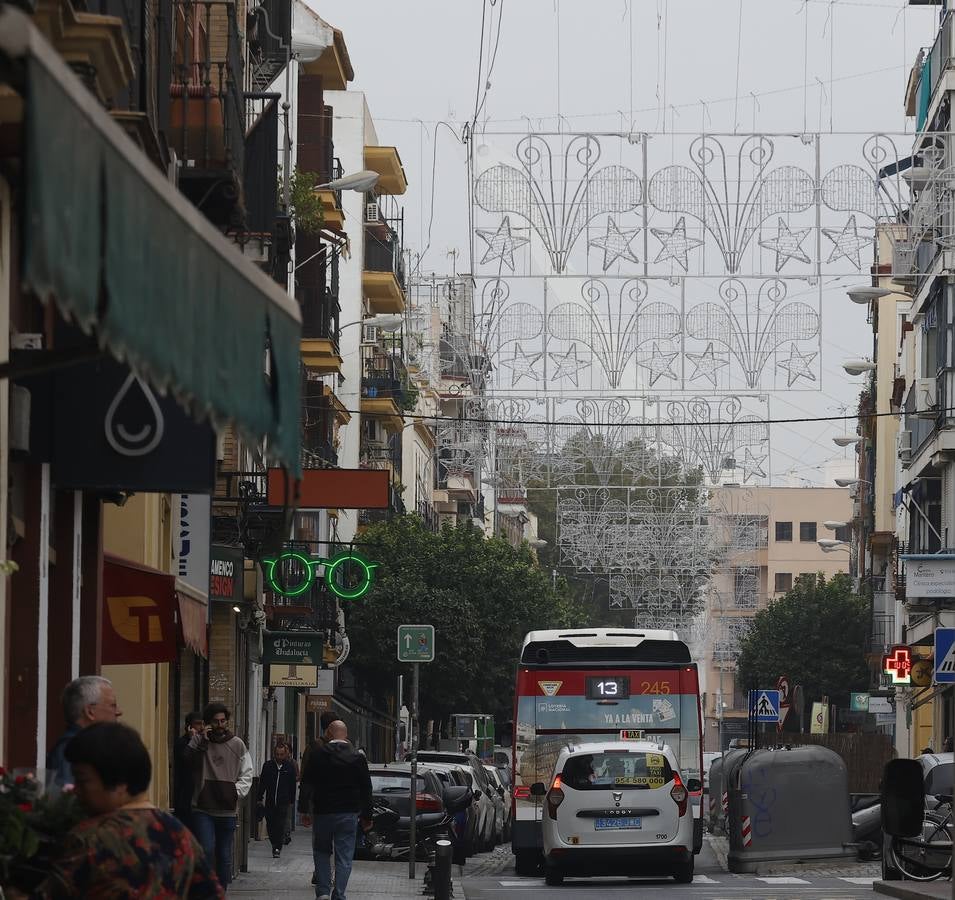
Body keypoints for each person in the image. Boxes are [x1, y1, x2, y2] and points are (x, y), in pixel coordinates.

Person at [16, 722, 223, 898]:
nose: (76, 790)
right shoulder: (180, 835)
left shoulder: (92, 838)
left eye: (83, 780)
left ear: (120, 783)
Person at [300, 720, 373, 900]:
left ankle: (323, 892)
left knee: (321, 852)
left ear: (329, 734)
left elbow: (306, 783)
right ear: (345, 735)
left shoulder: (317, 755)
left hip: (323, 812)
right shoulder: (357, 758)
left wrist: (304, 810)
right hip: (348, 814)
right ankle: (339, 894)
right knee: (344, 856)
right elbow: (366, 788)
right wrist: (367, 815)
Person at [187, 702, 253, 892]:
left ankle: (220, 892)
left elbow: (247, 773)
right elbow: (186, 761)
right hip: (202, 807)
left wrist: (235, 792)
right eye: (215, 722)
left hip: (227, 809)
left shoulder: (237, 744)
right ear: (208, 723)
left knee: (224, 855)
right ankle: (206, 891)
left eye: (223, 721)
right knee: (206, 849)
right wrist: (200, 740)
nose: (220, 725)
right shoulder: (200, 742)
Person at [47, 675, 123, 786]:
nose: (119, 712)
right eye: (113, 705)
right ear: (90, 712)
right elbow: (66, 800)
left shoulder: (87, 747)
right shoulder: (72, 750)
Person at [256, 742, 297, 858]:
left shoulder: (289, 767)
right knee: (270, 824)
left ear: (285, 754)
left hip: (283, 802)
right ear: (274, 754)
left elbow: (292, 785)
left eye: (282, 754)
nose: (279, 757)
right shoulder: (268, 766)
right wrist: (259, 797)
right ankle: (274, 842)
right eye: (277, 754)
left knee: (280, 825)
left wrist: (291, 800)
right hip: (270, 801)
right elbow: (262, 782)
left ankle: (277, 847)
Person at [174, 711, 205, 830]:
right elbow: (187, 761)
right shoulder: (181, 743)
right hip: (185, 796)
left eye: (203, 724)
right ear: (189, 726)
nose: (201, 727)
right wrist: (192, 740)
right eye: (198, 724)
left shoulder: (205, 742)